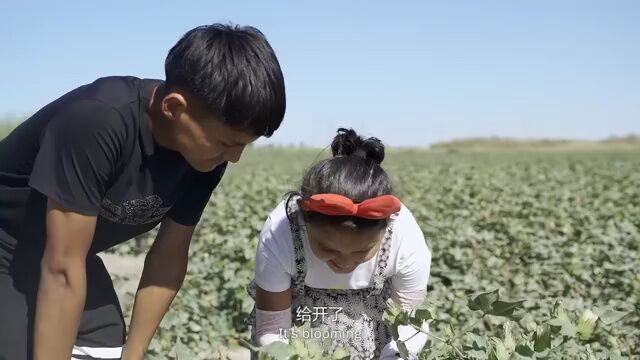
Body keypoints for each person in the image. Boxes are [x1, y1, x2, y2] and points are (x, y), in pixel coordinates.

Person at [0, 23, 286, 360]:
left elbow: (170, 254)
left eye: (243, 146)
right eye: (227, 143)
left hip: (62, 255)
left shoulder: (204, 158)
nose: (234, 157)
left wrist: (133, 354)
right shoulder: (98, 121)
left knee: (105, 348)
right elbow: (62, 268)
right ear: (174, 107)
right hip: (10, 248)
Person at [246, 128, 431, 360]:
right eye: (328, 249)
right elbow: (273, 325)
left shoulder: (404, 236)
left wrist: (397, 355)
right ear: (305, 222)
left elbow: (409, 321)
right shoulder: (281, 231)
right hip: (298, 325)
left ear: (386, 229)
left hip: (377, 327)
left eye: (362, 251)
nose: (344, 263)